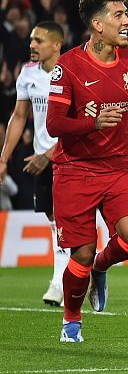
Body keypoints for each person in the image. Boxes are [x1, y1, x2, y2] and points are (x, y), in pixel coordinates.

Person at [46, 0, 128, 342]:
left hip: (118, 164)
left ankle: (102, 268)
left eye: (126, 14)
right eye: (118, 15)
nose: (127, 21)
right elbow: (54, 125)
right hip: (74, 169)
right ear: (97, 24)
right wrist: (92, 123)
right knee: (82, 253)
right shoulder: (68, 67)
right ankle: (71, 321)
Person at [0, 21, 67, 307]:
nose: (32, 45)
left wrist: (50, 154)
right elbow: (19, 116)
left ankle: (59, 281)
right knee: (54, 220)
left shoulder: (72, 74)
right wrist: (3, 158)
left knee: (63, 221)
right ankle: (79, 272)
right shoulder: (27, 75)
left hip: (69, 158)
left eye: (38, 40)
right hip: (43, 159)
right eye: (31, 40)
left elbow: (80, 124)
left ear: (56, 45)